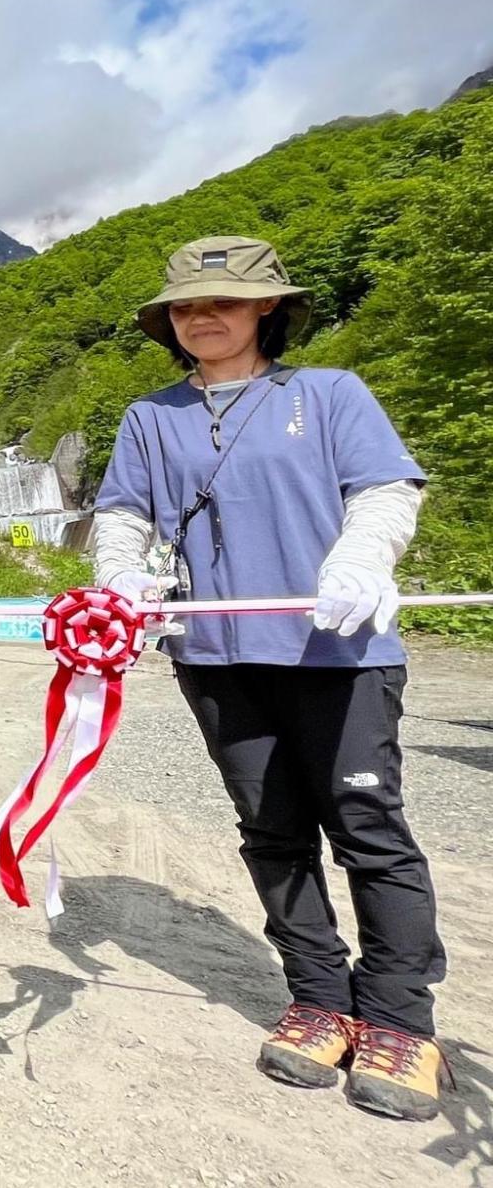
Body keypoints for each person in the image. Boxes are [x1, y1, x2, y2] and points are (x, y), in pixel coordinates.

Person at [92, 235, 447, 1122]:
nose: (200, 316)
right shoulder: (151, 416)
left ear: (268, 310)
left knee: (367, 826)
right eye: (184, 305)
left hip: (340, 651)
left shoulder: (329, 394)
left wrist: (363, 557)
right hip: (215, 654)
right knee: (272, 826)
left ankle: (401, 1016)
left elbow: (386, 490)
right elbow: (123, 516)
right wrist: (120, 579)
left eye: (222, 300)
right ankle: (319, 997)